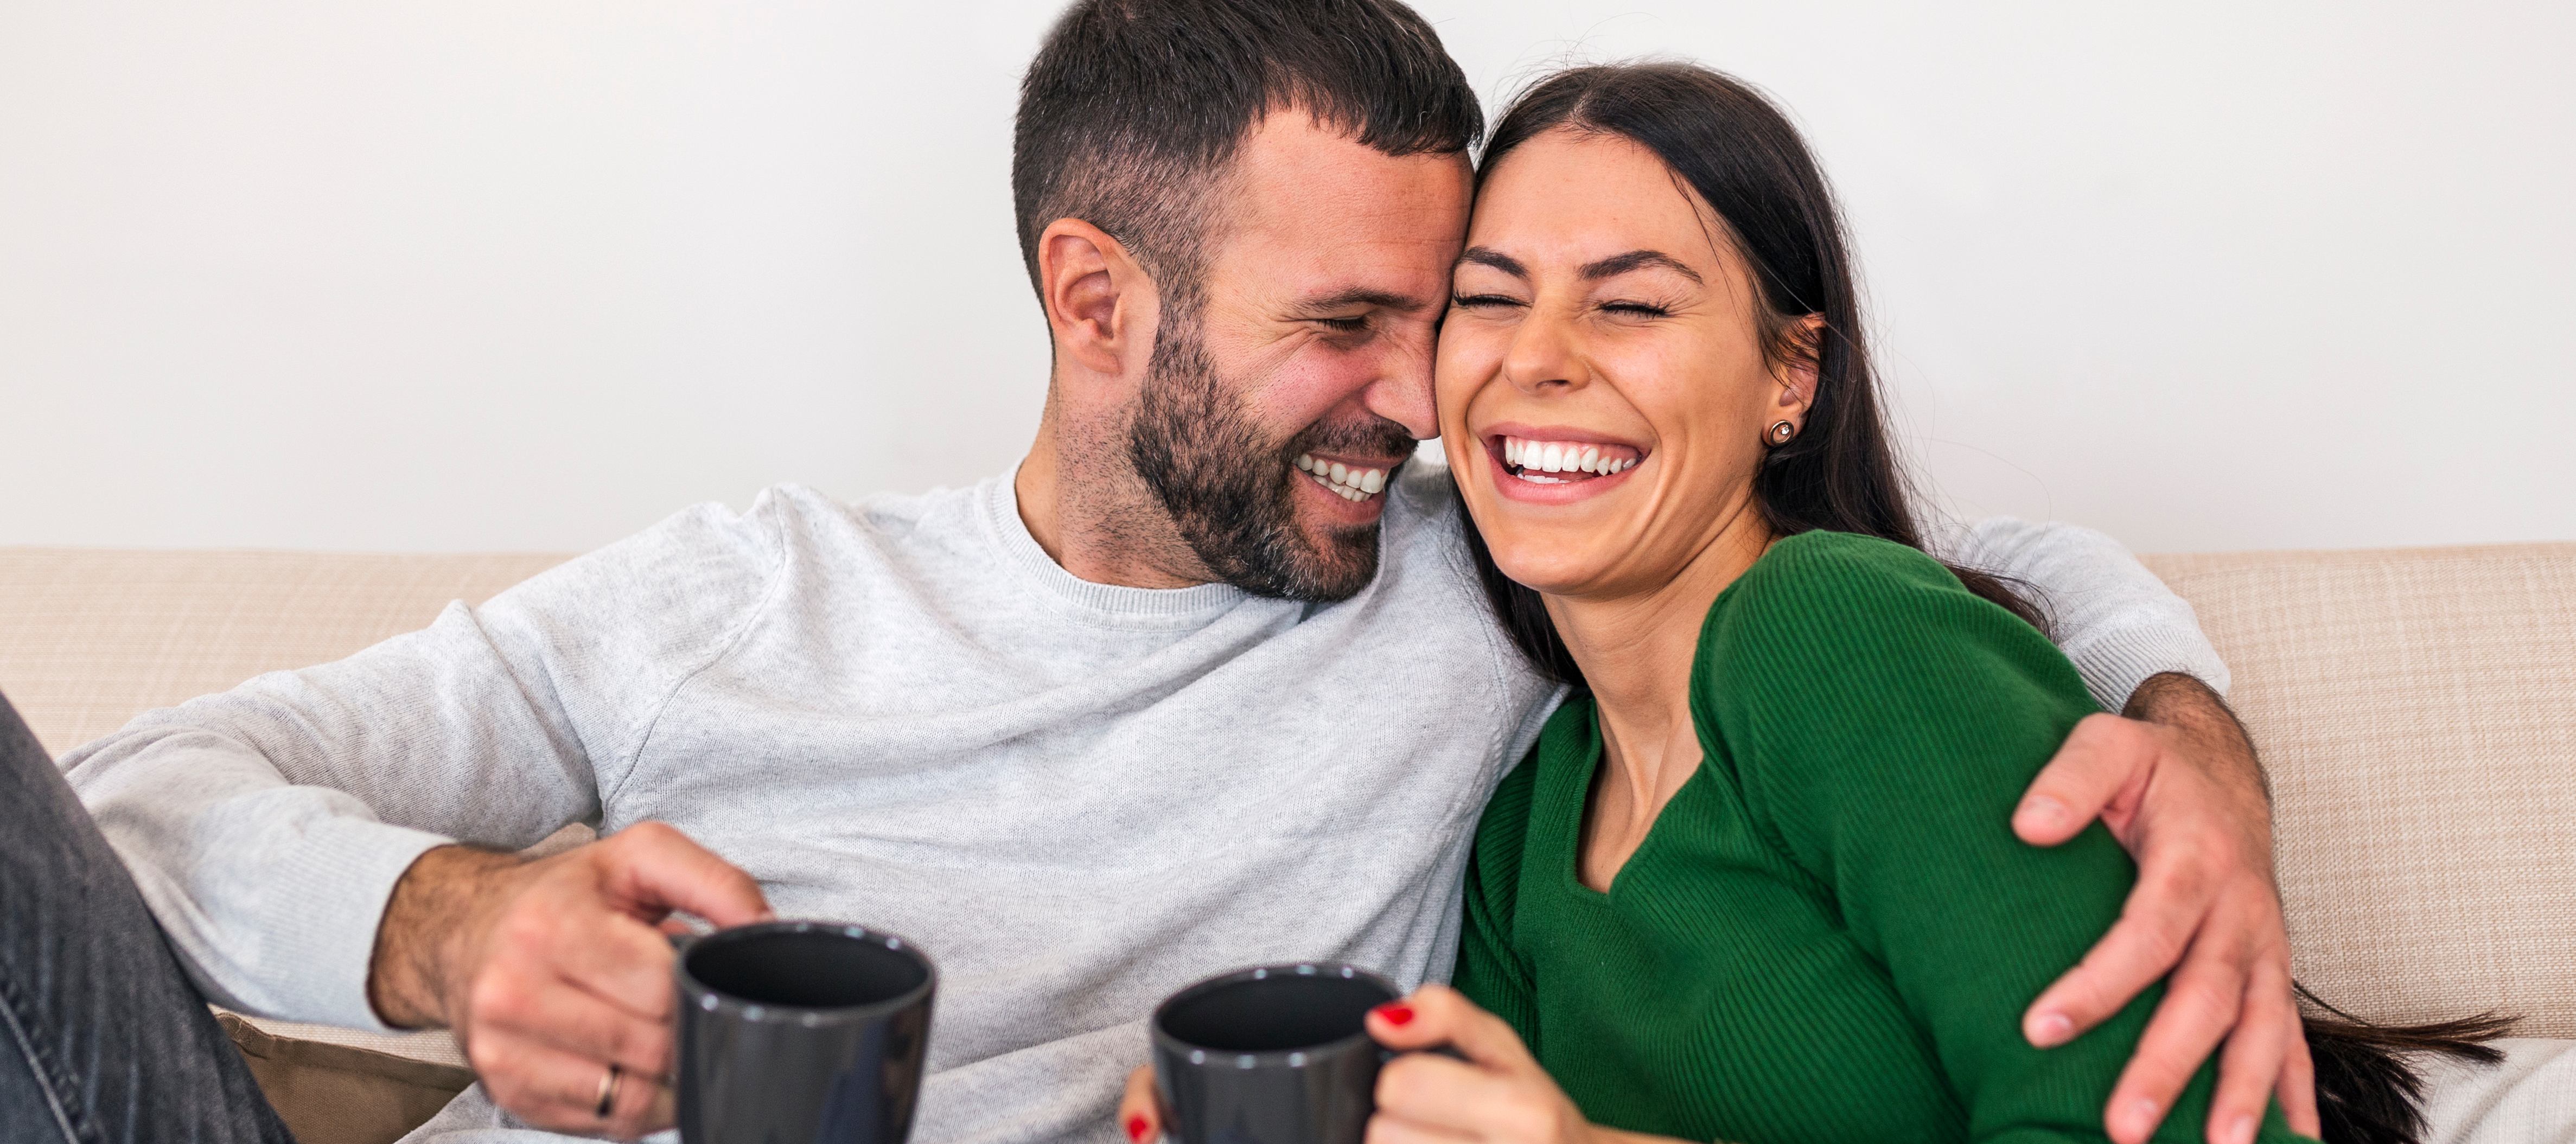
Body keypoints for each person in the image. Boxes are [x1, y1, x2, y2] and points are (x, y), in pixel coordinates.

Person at [6, 4, 2309, 1143]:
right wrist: (450, 920)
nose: (1432, 396)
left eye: (1449, 306)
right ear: (1096, 301)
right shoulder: (731, 594)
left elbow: (1903, 558)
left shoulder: (1475, 583)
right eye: (1354, 325)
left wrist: (2183, 736)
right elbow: (137, 790)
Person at [1119, 60, 2502, 1144]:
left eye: (1631, 307)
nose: (1535, 359)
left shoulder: (1830, 633)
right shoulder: (1531, 811)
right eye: (1491, 298)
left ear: (1791, 376)